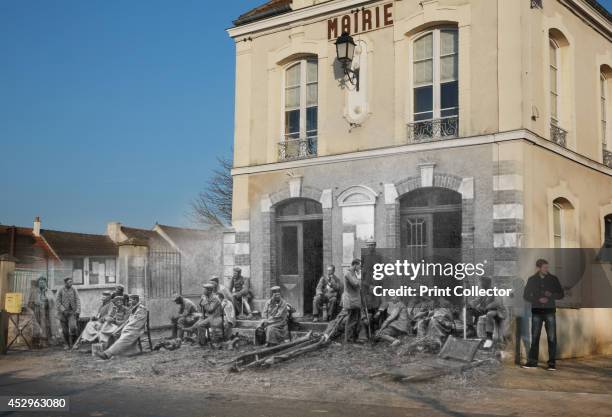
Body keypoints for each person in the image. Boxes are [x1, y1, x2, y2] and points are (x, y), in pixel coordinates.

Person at [522, 259, 564, 371]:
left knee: (552, 338)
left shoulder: (553, 279)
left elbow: (561, 294)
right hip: (537, 312)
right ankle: (532, 362)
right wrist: (537, 299)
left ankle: (551, 364)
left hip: (550, 311)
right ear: (538, 268)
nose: (546, 269)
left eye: (547, 267)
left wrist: (551, 295)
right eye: (544, 267)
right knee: (535, 337)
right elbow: (526, 295)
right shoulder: (531, 280)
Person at [95, 294, 147, 360]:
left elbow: (138, 323)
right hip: (130, 327)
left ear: (136, 300)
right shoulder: (133, 308)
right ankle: (129, 351)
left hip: (136, 329)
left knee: (125, 337)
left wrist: (125, 328)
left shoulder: (141, 309)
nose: (129, 302)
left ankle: (107, 354)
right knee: (114, 333)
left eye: (131, 300)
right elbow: (128, 321)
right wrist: (121, 328)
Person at [465, 276, 505, 349]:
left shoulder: (495, 290)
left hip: (495, 310)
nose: (481, 284)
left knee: (489, 314)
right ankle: (470, 328)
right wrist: (470, 304)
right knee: (469, 310)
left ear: (487, 283)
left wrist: (487, 307)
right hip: (484, 311)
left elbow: (498, 302)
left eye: (482, 283)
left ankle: (489, 338)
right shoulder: (483, 291)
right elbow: (477, 300)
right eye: (480, 283)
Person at [27, 276, 58, 347]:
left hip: (46, 312)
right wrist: (35, 305)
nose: (41, 284)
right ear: (38, 284)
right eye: (40, 283)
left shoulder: (49, 291)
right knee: (38, 326)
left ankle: (46, 341)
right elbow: (30, 303)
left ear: (45, 283)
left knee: (46, 326)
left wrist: (47, 300)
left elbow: (53, 301)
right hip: (37, 311)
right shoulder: (34, 292)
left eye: (43, 282)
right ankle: (37, 342)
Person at [56, 277, 81, 348]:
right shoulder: (60, 290)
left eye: (71, 282)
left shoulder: (74, 289)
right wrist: (63, 310)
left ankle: (74, 344)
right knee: (65, 330)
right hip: (63, 313)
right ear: (65, 283)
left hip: (72, 312)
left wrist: (78, 310)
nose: (71, 283)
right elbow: (57, 302)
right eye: (69, 282)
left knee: (73, 327)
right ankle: (66, 344)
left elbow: (78, 300)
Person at [342, 259, 362, 343]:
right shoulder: (348, 273)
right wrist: (360, 276)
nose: (360, 268)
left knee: (356, 319)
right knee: (351, 319)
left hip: (355, 300)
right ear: (355, 265)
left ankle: (353, 338)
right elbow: (355, 284)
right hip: (350, 300)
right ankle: (348, 339)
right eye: (359, 266)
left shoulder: (353, 273)